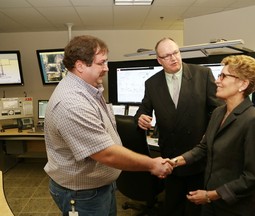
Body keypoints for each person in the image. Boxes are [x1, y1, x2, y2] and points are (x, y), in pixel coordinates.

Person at [43, 35, 173, 216]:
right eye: (101, 63)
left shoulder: (89, 89)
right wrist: (152, 164)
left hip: (99, 187)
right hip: (83, 195)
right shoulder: (72, 104)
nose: (107, 68)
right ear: (80, 65)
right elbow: (106, 153)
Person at [168, 55, 255, 216]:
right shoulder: (218, 112)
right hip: (212, 203)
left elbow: (253, 178)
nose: (217, 81)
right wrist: (174, 162)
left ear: (243, 84)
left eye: (224, 76)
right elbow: (203, 147)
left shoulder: (254, 121)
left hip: (235, 208)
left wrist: (210, 196)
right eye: (219, 75)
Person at [135, 37, 223, 216]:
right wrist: (140, 117)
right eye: (167, 56)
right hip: (170, 158)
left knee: (195, 209)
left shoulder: (202, 74)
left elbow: (218, 110)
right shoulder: (152, 83)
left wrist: (210, 138)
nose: (173, 58)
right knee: (173, 207)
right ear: (159, 60)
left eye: (175, 52)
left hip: (197, 155)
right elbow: (144, 109)